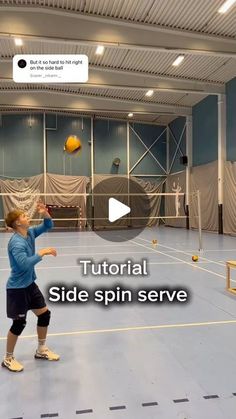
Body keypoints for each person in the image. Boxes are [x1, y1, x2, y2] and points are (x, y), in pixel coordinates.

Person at [2, 202, 59, 372]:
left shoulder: (30, 233)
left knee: (45, 315)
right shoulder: (16, 243)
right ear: (18, 223)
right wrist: (41, 253)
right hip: (17, 289)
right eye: (24, 216)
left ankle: (41, 350)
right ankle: (8, 358)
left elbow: (48, 225)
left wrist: (45, 214)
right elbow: (23, 265)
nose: (28, 217)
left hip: (29, 285)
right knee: (19, 324)